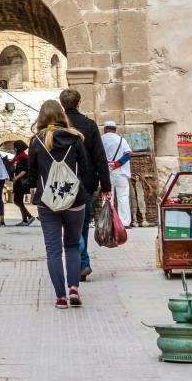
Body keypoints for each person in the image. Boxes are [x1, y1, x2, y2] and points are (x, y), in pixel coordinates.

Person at [28, 101, 89, 308]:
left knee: (53, 250)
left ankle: (61, 297)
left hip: (47, 202)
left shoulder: (36, 141)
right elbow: (86, 169)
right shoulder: (76, 138)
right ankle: (74, 287)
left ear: (42, 117)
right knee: (72, 245)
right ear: (62, 115)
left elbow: (32, 174)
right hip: (75, 200)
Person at [59, 89, 112, 280]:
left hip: (63, 183)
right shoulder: (89, 125)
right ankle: (82, 263)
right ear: (79, 102)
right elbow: (100, 157)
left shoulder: (58, 127)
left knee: (68, 224)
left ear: (62, 104)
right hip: (87, 182)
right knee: (82, 224)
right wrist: (107, 186)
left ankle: (80, 263)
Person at [101, 119, 134, 227]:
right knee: (123, 196)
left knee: (107, 196)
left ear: (105, 129)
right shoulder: (121, 140)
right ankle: (124, 222)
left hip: (106, 172)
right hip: (120, 172)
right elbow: (128, 154)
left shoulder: (100, 139)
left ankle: (108, 222)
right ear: (115, 129)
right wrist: (117, 164)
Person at [8, 142, 36, 224]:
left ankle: (29, 217)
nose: (14, 149)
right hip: (19, 182)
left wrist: (16, 177)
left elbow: (24, 170)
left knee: (17, 200)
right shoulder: (19, 157)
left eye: (15, 147)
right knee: (18, 201)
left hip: (21, 182)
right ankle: (25, 220)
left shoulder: (24, 158)